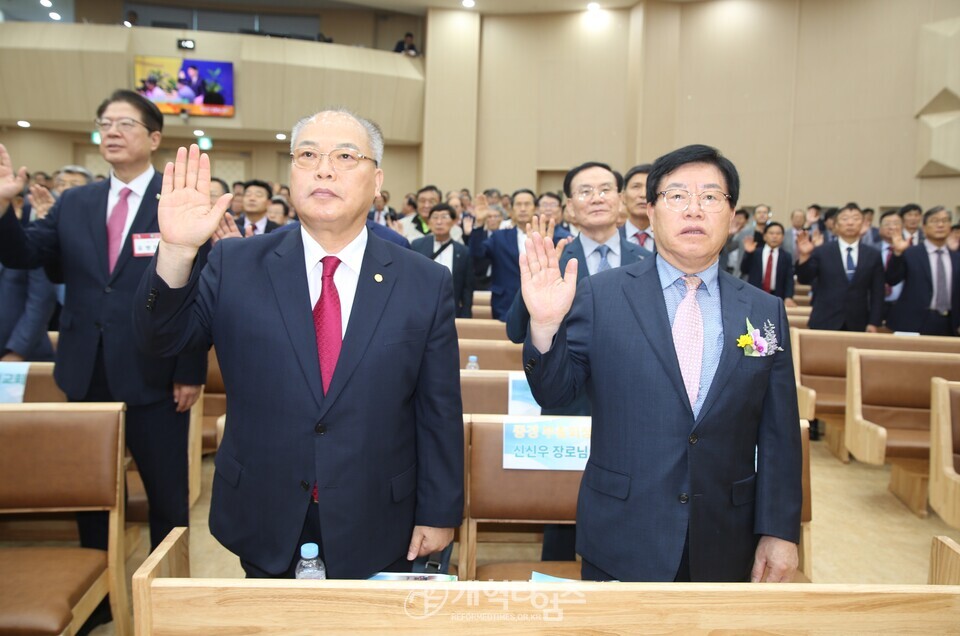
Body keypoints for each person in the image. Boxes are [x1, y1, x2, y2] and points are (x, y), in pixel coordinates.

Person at [133, 108, 463, 579]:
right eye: (308, 155)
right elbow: (158, 340)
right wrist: (178, 252)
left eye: (345, 156)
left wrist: (439, 509)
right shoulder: (234, 263)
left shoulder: (424, 281)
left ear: (377, 181)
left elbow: (440, 409)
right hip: (265, 506)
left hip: (379, 511)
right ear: (290, 175)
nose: (324, 168)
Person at [518, 144, 801, 582]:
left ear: (731, 215)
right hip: (624, 529)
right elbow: (555, 392)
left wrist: (779, 532)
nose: (694, 210)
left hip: (728, 534)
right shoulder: (602, 294)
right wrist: (544, 327)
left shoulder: (763, 311)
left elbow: (780, 434)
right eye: (676, 197)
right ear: (650, 212)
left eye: (710, 197)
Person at [0, 90, 207, 557]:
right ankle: (98, 588)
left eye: (125, 123)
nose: (111, 131)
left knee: (165, 495)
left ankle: (165, 588)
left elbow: (197, 290)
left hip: (154, 374)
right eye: (104, 122)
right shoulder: (76, 202)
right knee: (88, 489)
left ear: (154, 138)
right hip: (84, 369)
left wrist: (189, 370)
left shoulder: (176, 201)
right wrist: (2, 209)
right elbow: (26, 254)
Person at [505, 161, 651, 563]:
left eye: (606, 188)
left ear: (621, 199)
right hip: (568, 407)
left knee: (634, 515)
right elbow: (517, 330)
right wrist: (536, 284)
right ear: (569, 206)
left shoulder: (651, 259)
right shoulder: (556, 255)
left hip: (637, 410)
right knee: (562, 515)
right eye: (585, 191)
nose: (597, 197)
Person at [795, 203, 884, 332]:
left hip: (858, 322)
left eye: (855, 218)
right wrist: (804, 256)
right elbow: (804, 279)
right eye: (845, 219)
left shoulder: (872, 254)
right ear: (836, 225)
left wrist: (874, 322)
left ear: (864, 224)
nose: (850, 223)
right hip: (825, 319)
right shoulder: (822, 251)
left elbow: (877, 292)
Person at [885, 206, 959, 336]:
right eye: (935, 221)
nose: (940, 225)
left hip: (950, 323)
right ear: (924, 228)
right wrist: (897, 253)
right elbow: (891, 279)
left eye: (945, 221)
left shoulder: (956, 257)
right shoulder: (911, 253)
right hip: (914, 322)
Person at [468, 188, 539, 320]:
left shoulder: (548, 237)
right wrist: (479, 224)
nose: (522, 209)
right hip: (506, 302)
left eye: (527, 204)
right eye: (518, 204)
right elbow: (477, 255)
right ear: (511, 210)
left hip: (541, 303)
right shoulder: (499, 237)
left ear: (535, 208)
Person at [411, 203, 474, 318]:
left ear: (454, 222)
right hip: (420, 310)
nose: (439, 222)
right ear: (429, 222)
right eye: (435, 217)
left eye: (444, 217)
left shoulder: (463, 252)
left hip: (450, 310)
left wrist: (465, 315)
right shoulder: (417, 245)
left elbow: (467, 289)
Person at [740, 222, 795, 303]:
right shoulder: (755, 252)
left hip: (777, 296)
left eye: (778, 233)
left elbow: (789, 279)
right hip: (755, 294)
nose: (775, 236)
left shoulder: (786, 256)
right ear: (765, 236)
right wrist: (748, 253)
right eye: (771, 233)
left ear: (783, 237)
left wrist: (788, 297)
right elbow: (744, 269)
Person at [620, 163, 655, 251]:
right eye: (636, 187)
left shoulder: (668, 238)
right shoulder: (611, 240)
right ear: (623, 196)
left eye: (649, 187)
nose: (643, 194)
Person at [878, 210, 905, 324]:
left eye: (896, 223)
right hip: (875, 305)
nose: (892, 227)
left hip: (902, 305)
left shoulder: (911, 251)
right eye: (887, 224)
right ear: (879, 228)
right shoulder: (870, 249)